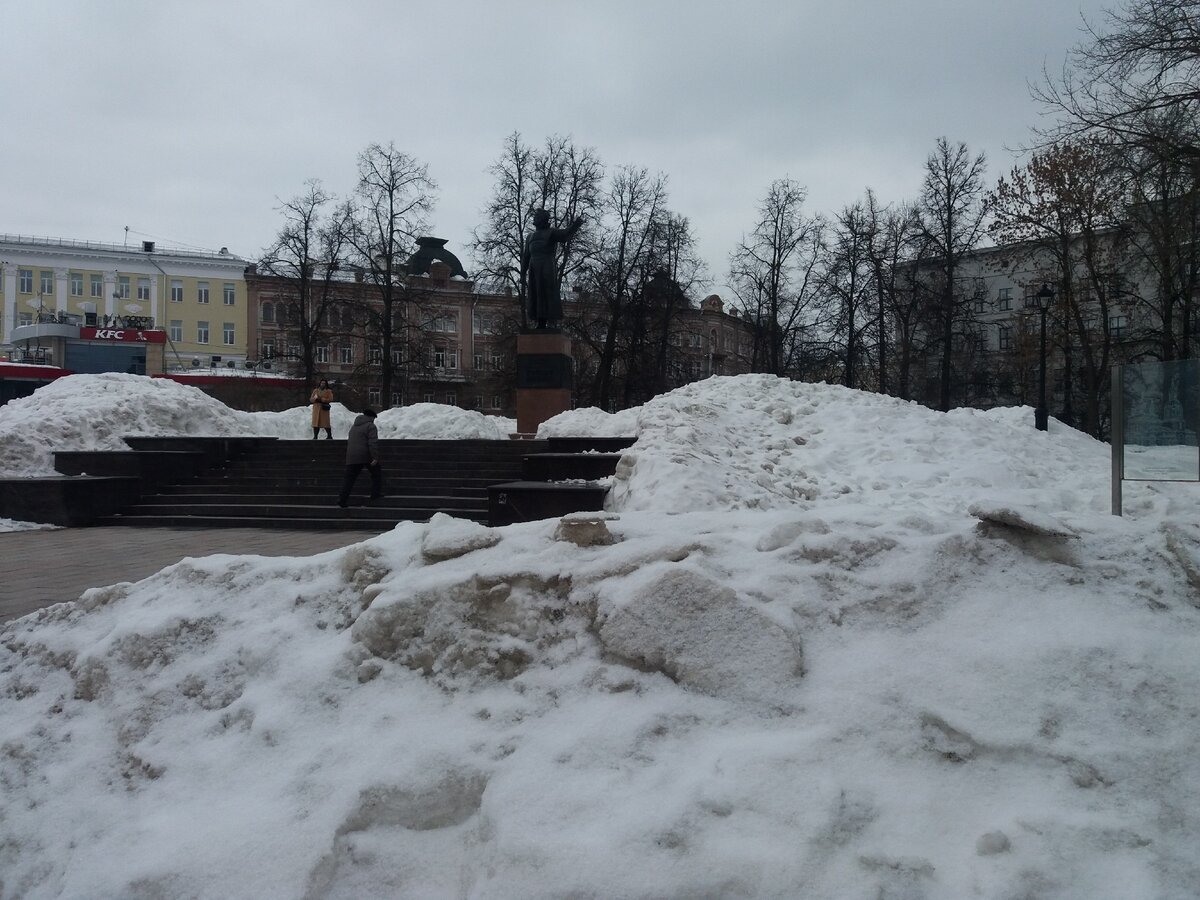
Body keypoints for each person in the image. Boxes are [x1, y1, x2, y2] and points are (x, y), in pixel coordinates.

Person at [522, 208, 583, 329]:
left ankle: (550, 321)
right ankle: (539, 322)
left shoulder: (551, 232)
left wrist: (576, 224)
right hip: (534, 269)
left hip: (546, 268)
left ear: (542, 219)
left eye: (537, 216)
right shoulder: (530, 237)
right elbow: (526, 257)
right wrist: (522, 274)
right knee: (535, 295)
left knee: (547, 294)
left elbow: (565, 234)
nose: (534, 218)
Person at [337, 408, 383, 508]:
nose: (373, 421)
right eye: (373, 419)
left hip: (351, 456)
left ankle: (342, 499)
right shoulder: (370, 426)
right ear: (371, 417)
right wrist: (375, 457)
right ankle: (375, 494)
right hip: (365, 455)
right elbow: (372, 442)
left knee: (349, 479)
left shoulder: (354, 427)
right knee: (376, 473)